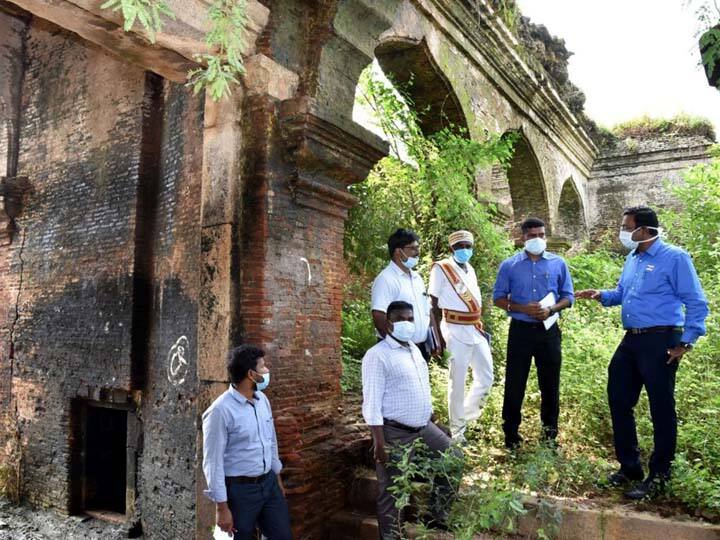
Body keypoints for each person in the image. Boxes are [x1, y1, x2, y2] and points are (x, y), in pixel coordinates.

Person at [576, 206, 709, 499]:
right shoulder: (632, 258)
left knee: (661, 407)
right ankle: (630, 467)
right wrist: (602, 295)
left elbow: (697, 302)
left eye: (627, 226)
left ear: (645, 230)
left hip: (661, 339)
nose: (622, 232)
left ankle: (659, 476)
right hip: (631, 341)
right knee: (618, 397)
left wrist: (686, 342)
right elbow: (623, 293)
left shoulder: (675, 258)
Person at [362, 301, 460, 539]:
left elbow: (421, 388)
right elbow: (372, 402)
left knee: (453, 459)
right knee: (393, 493)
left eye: (410, 319)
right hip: (395, 432)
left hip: (424, 427)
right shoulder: (378, 356)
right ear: (388, 323)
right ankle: (392, 537)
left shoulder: (414, 349)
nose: (406, 323)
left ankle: (436, 514)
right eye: (400, 319)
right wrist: (379, 442)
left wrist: (434, 421)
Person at [493, 217, 574, 449]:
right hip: (520, 331)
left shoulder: (558, 263)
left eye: (541, 235)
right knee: (515, 382)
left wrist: (551, 309)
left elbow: (568, 297)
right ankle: (510, 435)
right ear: (523, 238)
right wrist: (521, 308)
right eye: (532, 235)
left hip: (548, 332)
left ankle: (549, 435)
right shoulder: (509, 266)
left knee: (550, 383)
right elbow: (498, 298)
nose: (537, 239)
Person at [202, 345, 292, 539]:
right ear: (251, 374)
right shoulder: (220, 411)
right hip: (240, 491)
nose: (267, 371)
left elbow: (271, 441)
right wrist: (221, 507)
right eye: (263, 366)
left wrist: (277, 480)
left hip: (269, 485)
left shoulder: (262, 400)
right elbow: (213, 462)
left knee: (282, 535)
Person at [428, 230, 493, 442]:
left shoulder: (470, 268)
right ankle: (457, 433)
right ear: (452, 249)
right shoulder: (442, 268)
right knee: (457, 382)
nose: (464, 250)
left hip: (474, 329)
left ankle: (464, 417)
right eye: (460, 247)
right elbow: (432, 304)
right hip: (454, 329)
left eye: (468, 246)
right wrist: (436, 335)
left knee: (486, 376)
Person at [371, 229, 434, 360]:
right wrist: (398, 345)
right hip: (397, 350)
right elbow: (379, 316)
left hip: (420, 348)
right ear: (398, 251)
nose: (418, 252)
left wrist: (435, 338)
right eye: (413, 248)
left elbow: (427, 310)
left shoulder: (417, 278)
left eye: (418, 247)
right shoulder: (386, 279)